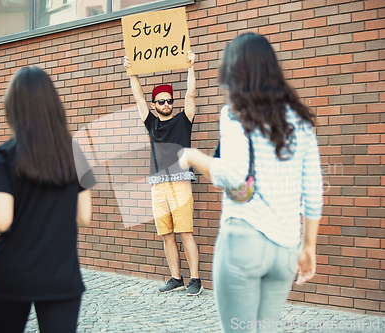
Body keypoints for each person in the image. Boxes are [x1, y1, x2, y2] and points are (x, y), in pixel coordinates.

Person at [179, 33, 323, 332]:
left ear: (233, 71)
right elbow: (313, 189)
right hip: (286, 247)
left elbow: (233, 174)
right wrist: (308, 247)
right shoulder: (300, 121)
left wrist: (193, 156)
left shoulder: (235, 112)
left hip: (244, 240)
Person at [0, 67, 96, 333]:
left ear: (13, 107)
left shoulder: (4, 155)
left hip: (12, 274)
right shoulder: (75, 152)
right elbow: (84, 216)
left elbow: (1, 220)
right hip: (61, 275)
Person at [123, 50, 202, 296]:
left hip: (180, 183)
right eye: (162, 101)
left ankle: (195, 280)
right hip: (158, 185)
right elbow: (138, 97)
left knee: (184, 232)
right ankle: (175, 278)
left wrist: (191, 66)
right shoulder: (151, 123)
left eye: (169, 100)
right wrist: (131, 72)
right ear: (155, 105)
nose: (167, 104)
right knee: (166, 233)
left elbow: (191, 93)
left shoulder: (183, 120)